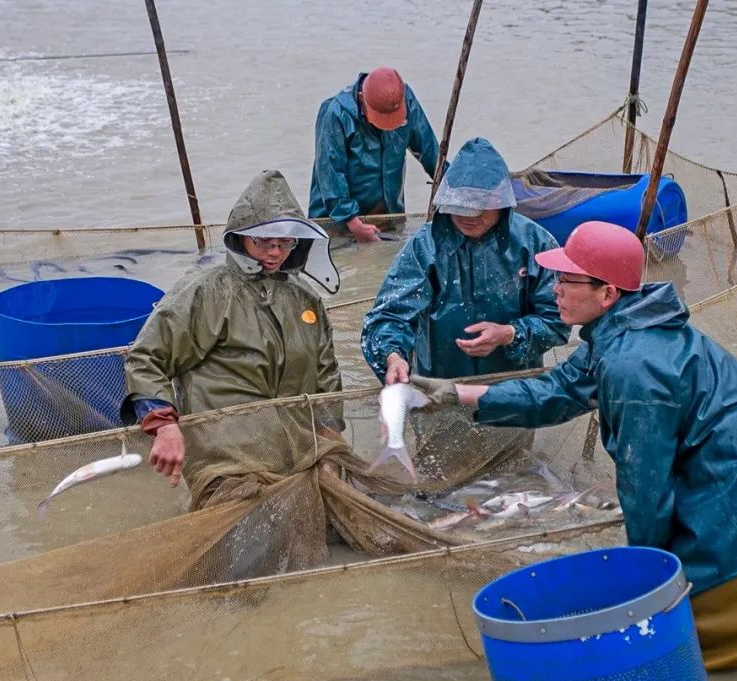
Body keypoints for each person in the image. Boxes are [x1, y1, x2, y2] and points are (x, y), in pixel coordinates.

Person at [408, 221, 737, 670]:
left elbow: (645, 489)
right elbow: (557, 390)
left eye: (566, 280)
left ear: (607, 293)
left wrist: (645, 583)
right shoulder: (632, 328)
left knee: (665, 663)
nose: (553, 290)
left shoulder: (633, 365)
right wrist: (456, 394)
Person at [122, 169, 344, 509]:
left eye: (285, 243)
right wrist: (164, 427)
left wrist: (330, 439)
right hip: (227, 458)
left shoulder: (305, 298)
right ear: (239, 237)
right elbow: (146, 358)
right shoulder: (205, 291)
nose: (274, 253)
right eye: (263, 242)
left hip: (299, 452)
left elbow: (327, 375)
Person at [360, 137, 570, 481]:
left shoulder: (536, 244)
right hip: (440, 391)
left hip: (512, 391)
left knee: (509, 479)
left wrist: (511, 334)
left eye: (479, 208)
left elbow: (558, 322)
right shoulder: (424, 246)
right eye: (459, 206)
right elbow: (387, 317)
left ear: (502, 204)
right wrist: (393, 356)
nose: (467, 216)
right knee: (440, 481)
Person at [309, 66, 442, 243]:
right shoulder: (335, 113)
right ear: (362, 99)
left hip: (387, 213)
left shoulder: (406, 99)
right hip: (337, 220)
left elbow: (429, 151)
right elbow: (330, 173)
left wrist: (451, 189)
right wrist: (352, 221)